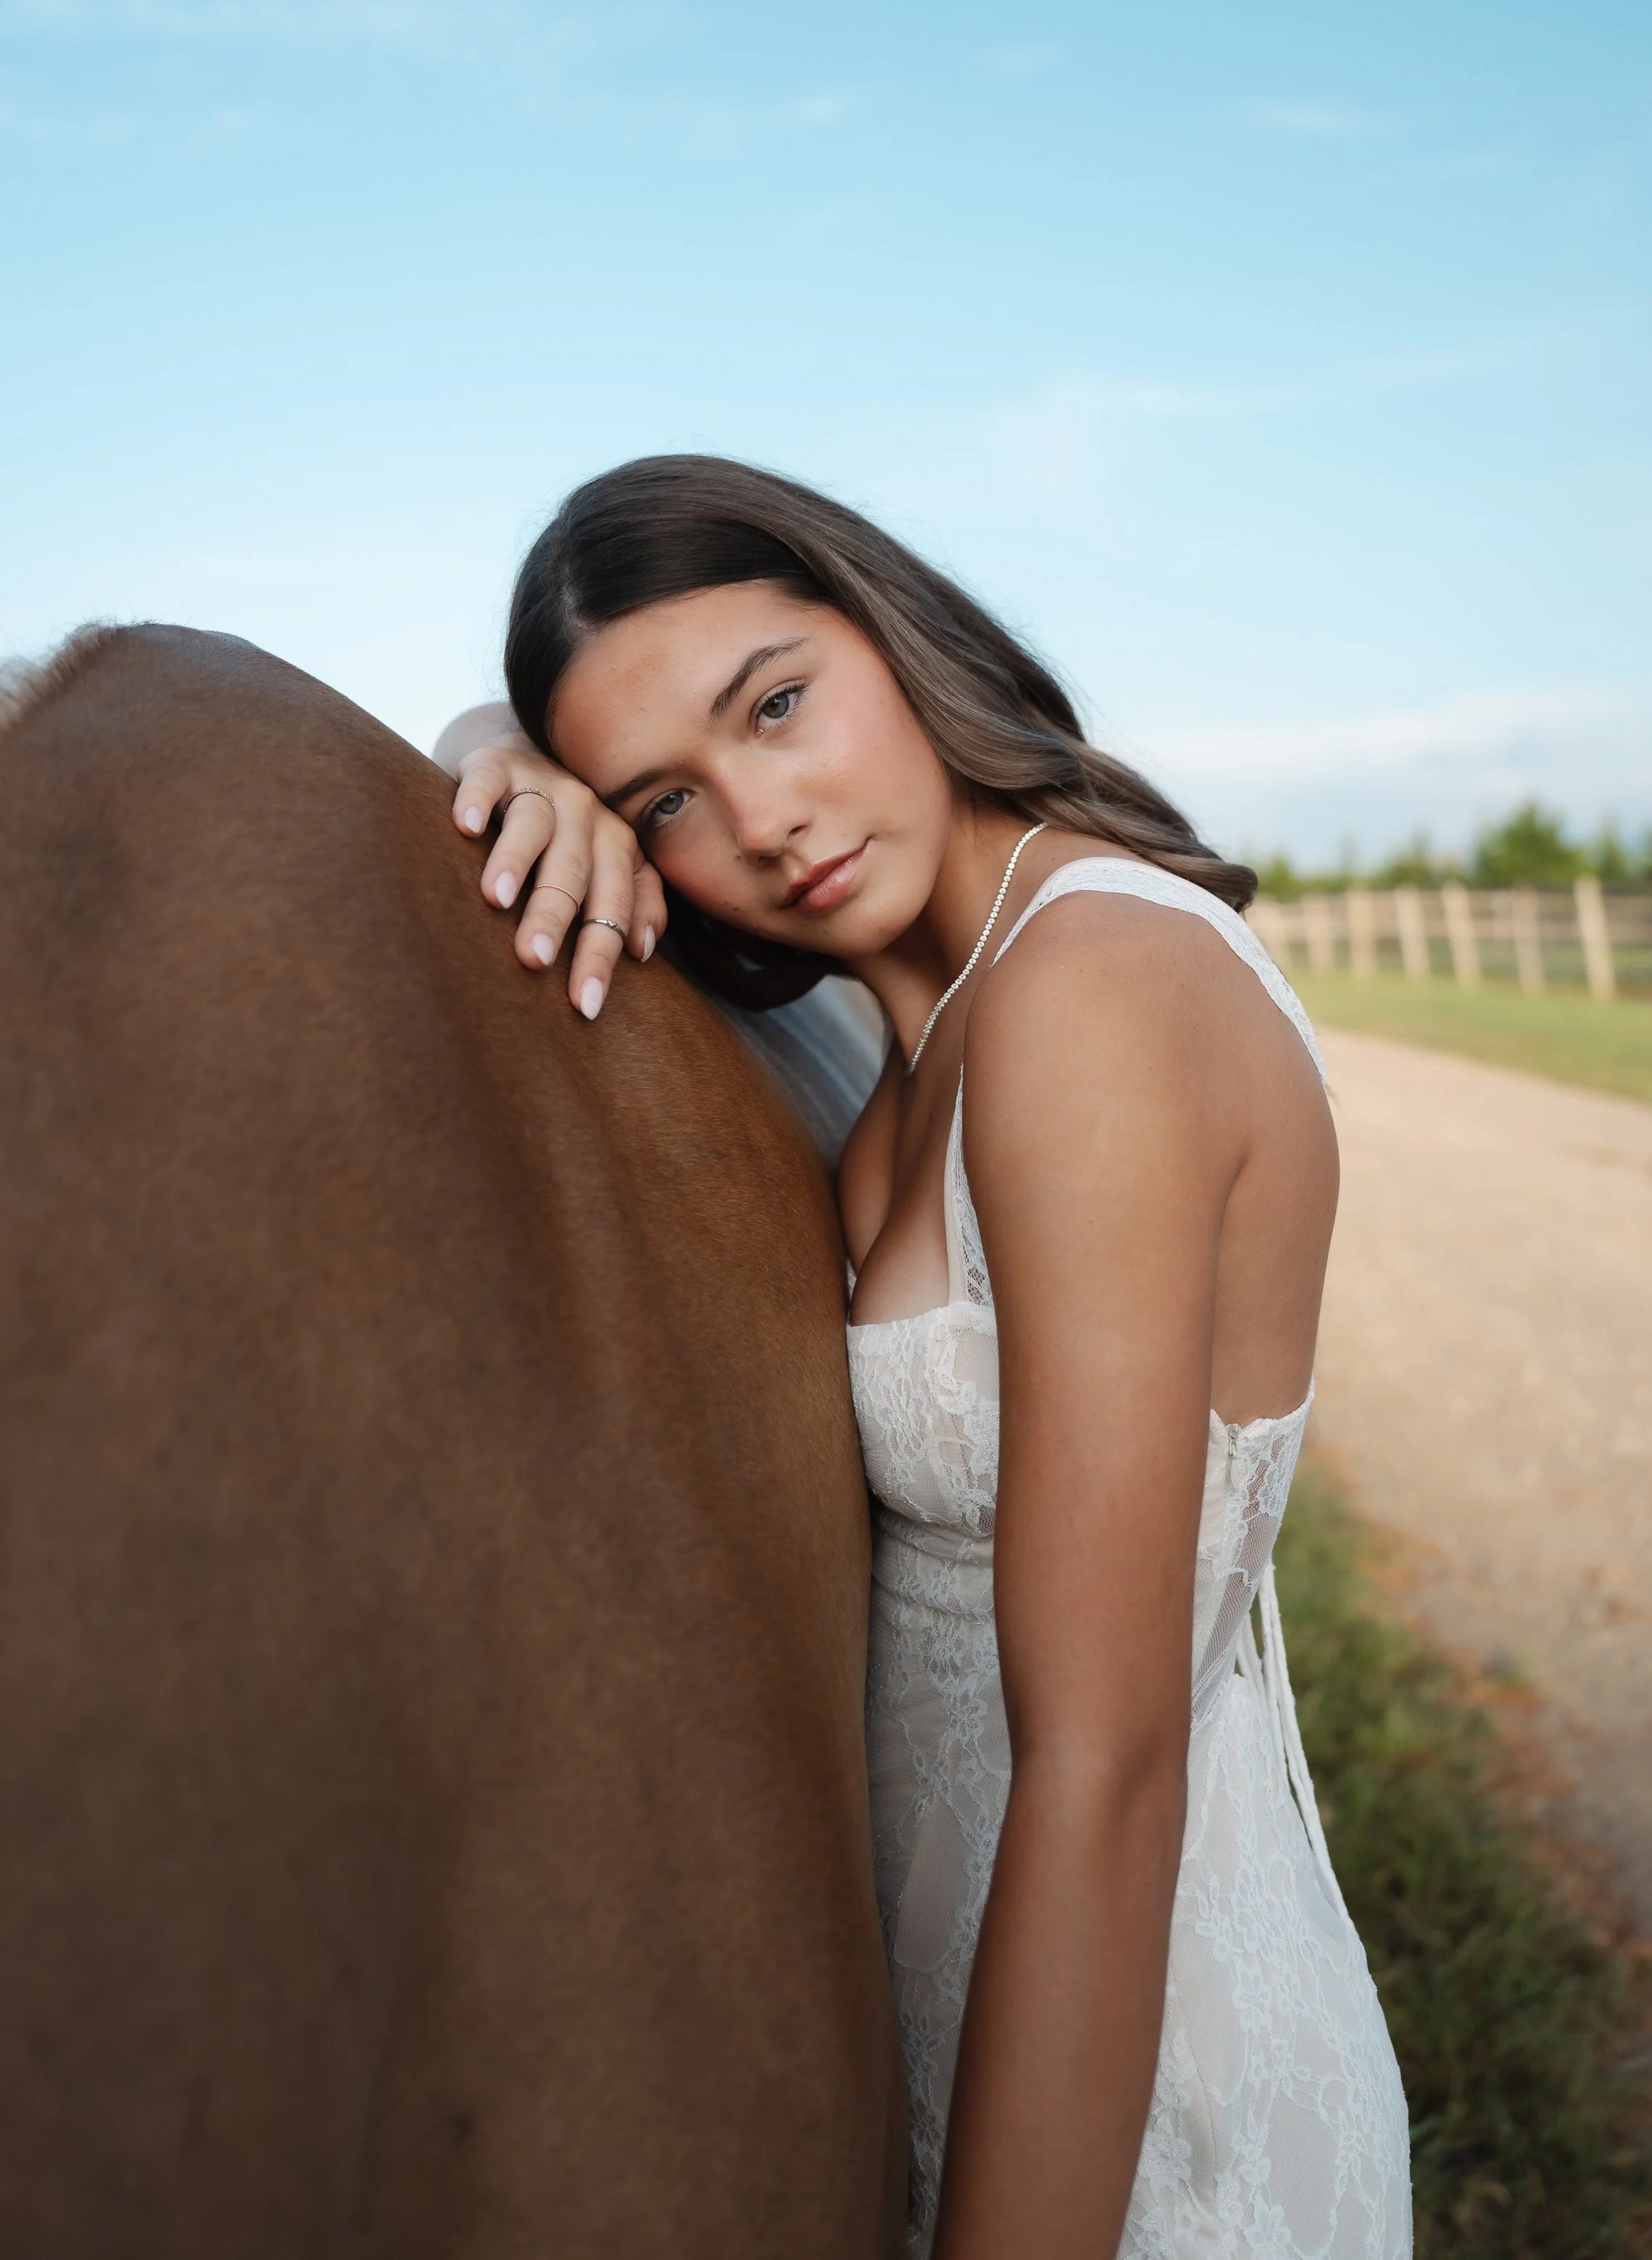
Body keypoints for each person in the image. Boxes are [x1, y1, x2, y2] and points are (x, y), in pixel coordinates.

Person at [440, 456, 1411, 2260]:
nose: (762, 821)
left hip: (1140, 2107)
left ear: (889, 623)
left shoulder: (1089, 995)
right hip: (967, 2022)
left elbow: (1102, 1764)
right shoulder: (918, 1024)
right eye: (666, 801)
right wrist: (494, 769)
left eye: (779, 705)